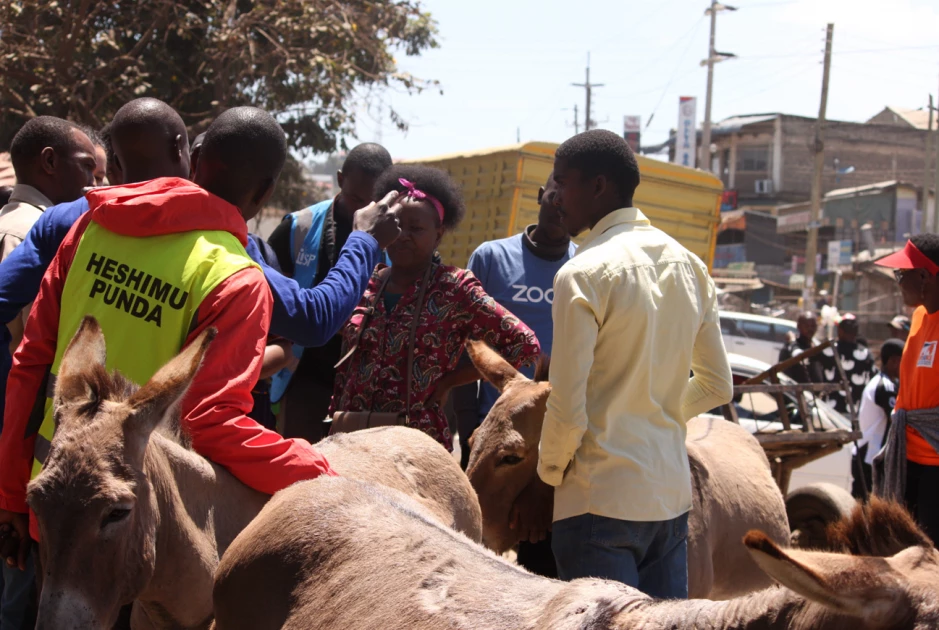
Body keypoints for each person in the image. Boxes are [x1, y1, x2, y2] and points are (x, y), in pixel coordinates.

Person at [0, 107, 397, 572]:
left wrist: (11, 494)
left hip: (52, 500)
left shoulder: (88, 224)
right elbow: (213, 418)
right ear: (267, 190)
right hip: (145, 528)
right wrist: (326, 473)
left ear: (194, 159)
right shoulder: (236, 274)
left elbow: (28, 365)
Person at [537, 130, 733, 599]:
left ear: (599, 186)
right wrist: (652, 416)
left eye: (562, 182)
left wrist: (547, 474)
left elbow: (566, 406)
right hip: (668, 500)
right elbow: (717, 385)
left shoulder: (581, 273)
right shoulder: (691, 266)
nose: (553, 196)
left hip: (597, 499)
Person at [330, 164, 541, 451]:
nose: (404, 235)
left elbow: (523, 343)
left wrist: (450, 382)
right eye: (398, 226)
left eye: (416, 229)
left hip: (415, 447)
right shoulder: (364, 282)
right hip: (351, 440)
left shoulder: (455, 289)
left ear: (439, 234)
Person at [450, 171, 574, 577]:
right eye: (553, 196)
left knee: (539, 554)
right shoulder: (491, 257)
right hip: (500, 438)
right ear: (541, 195)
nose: (558, 207)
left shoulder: (584, 267)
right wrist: (471, 426)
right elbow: (467, 339)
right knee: (477, 546)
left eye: (567, 202)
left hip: (552, 445)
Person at [0, 115, 94, 630]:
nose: (97, 186)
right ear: (50, 162)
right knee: (18, 594)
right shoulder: (32, 231)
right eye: (88, 168)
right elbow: (27, 354)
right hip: (12, 436)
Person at [267, 143, 394, 442]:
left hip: (362, 387)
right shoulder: (298, 227)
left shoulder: (400, 234)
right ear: (339, 178)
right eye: (354, 199)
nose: (362, 211)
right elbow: (266, 303)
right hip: (300, 378)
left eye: (372, 201)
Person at [872, 234, 939, 544]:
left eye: (902, 274)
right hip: (907, 459)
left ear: (924, 276)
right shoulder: (918, 317)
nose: (898, 282)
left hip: (935, 465)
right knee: (903, 554)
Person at [854, 338, 904, 499]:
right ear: (894, 361)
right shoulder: (885, 386)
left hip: (869, 455)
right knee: (869, 508)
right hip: (871, 456)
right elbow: (897, 421)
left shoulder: (886, 382)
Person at [818, 314, 875, 416]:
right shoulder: (865, 353)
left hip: (831, 410)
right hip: (856, 409)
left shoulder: (829, 350)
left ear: (840, 330)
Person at [778, 312, 823, 383]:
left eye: (813, 325)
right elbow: (784, 375)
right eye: (807, 326)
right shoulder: (790, 348)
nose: (810, 329)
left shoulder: (817, 347)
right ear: (799, 326)